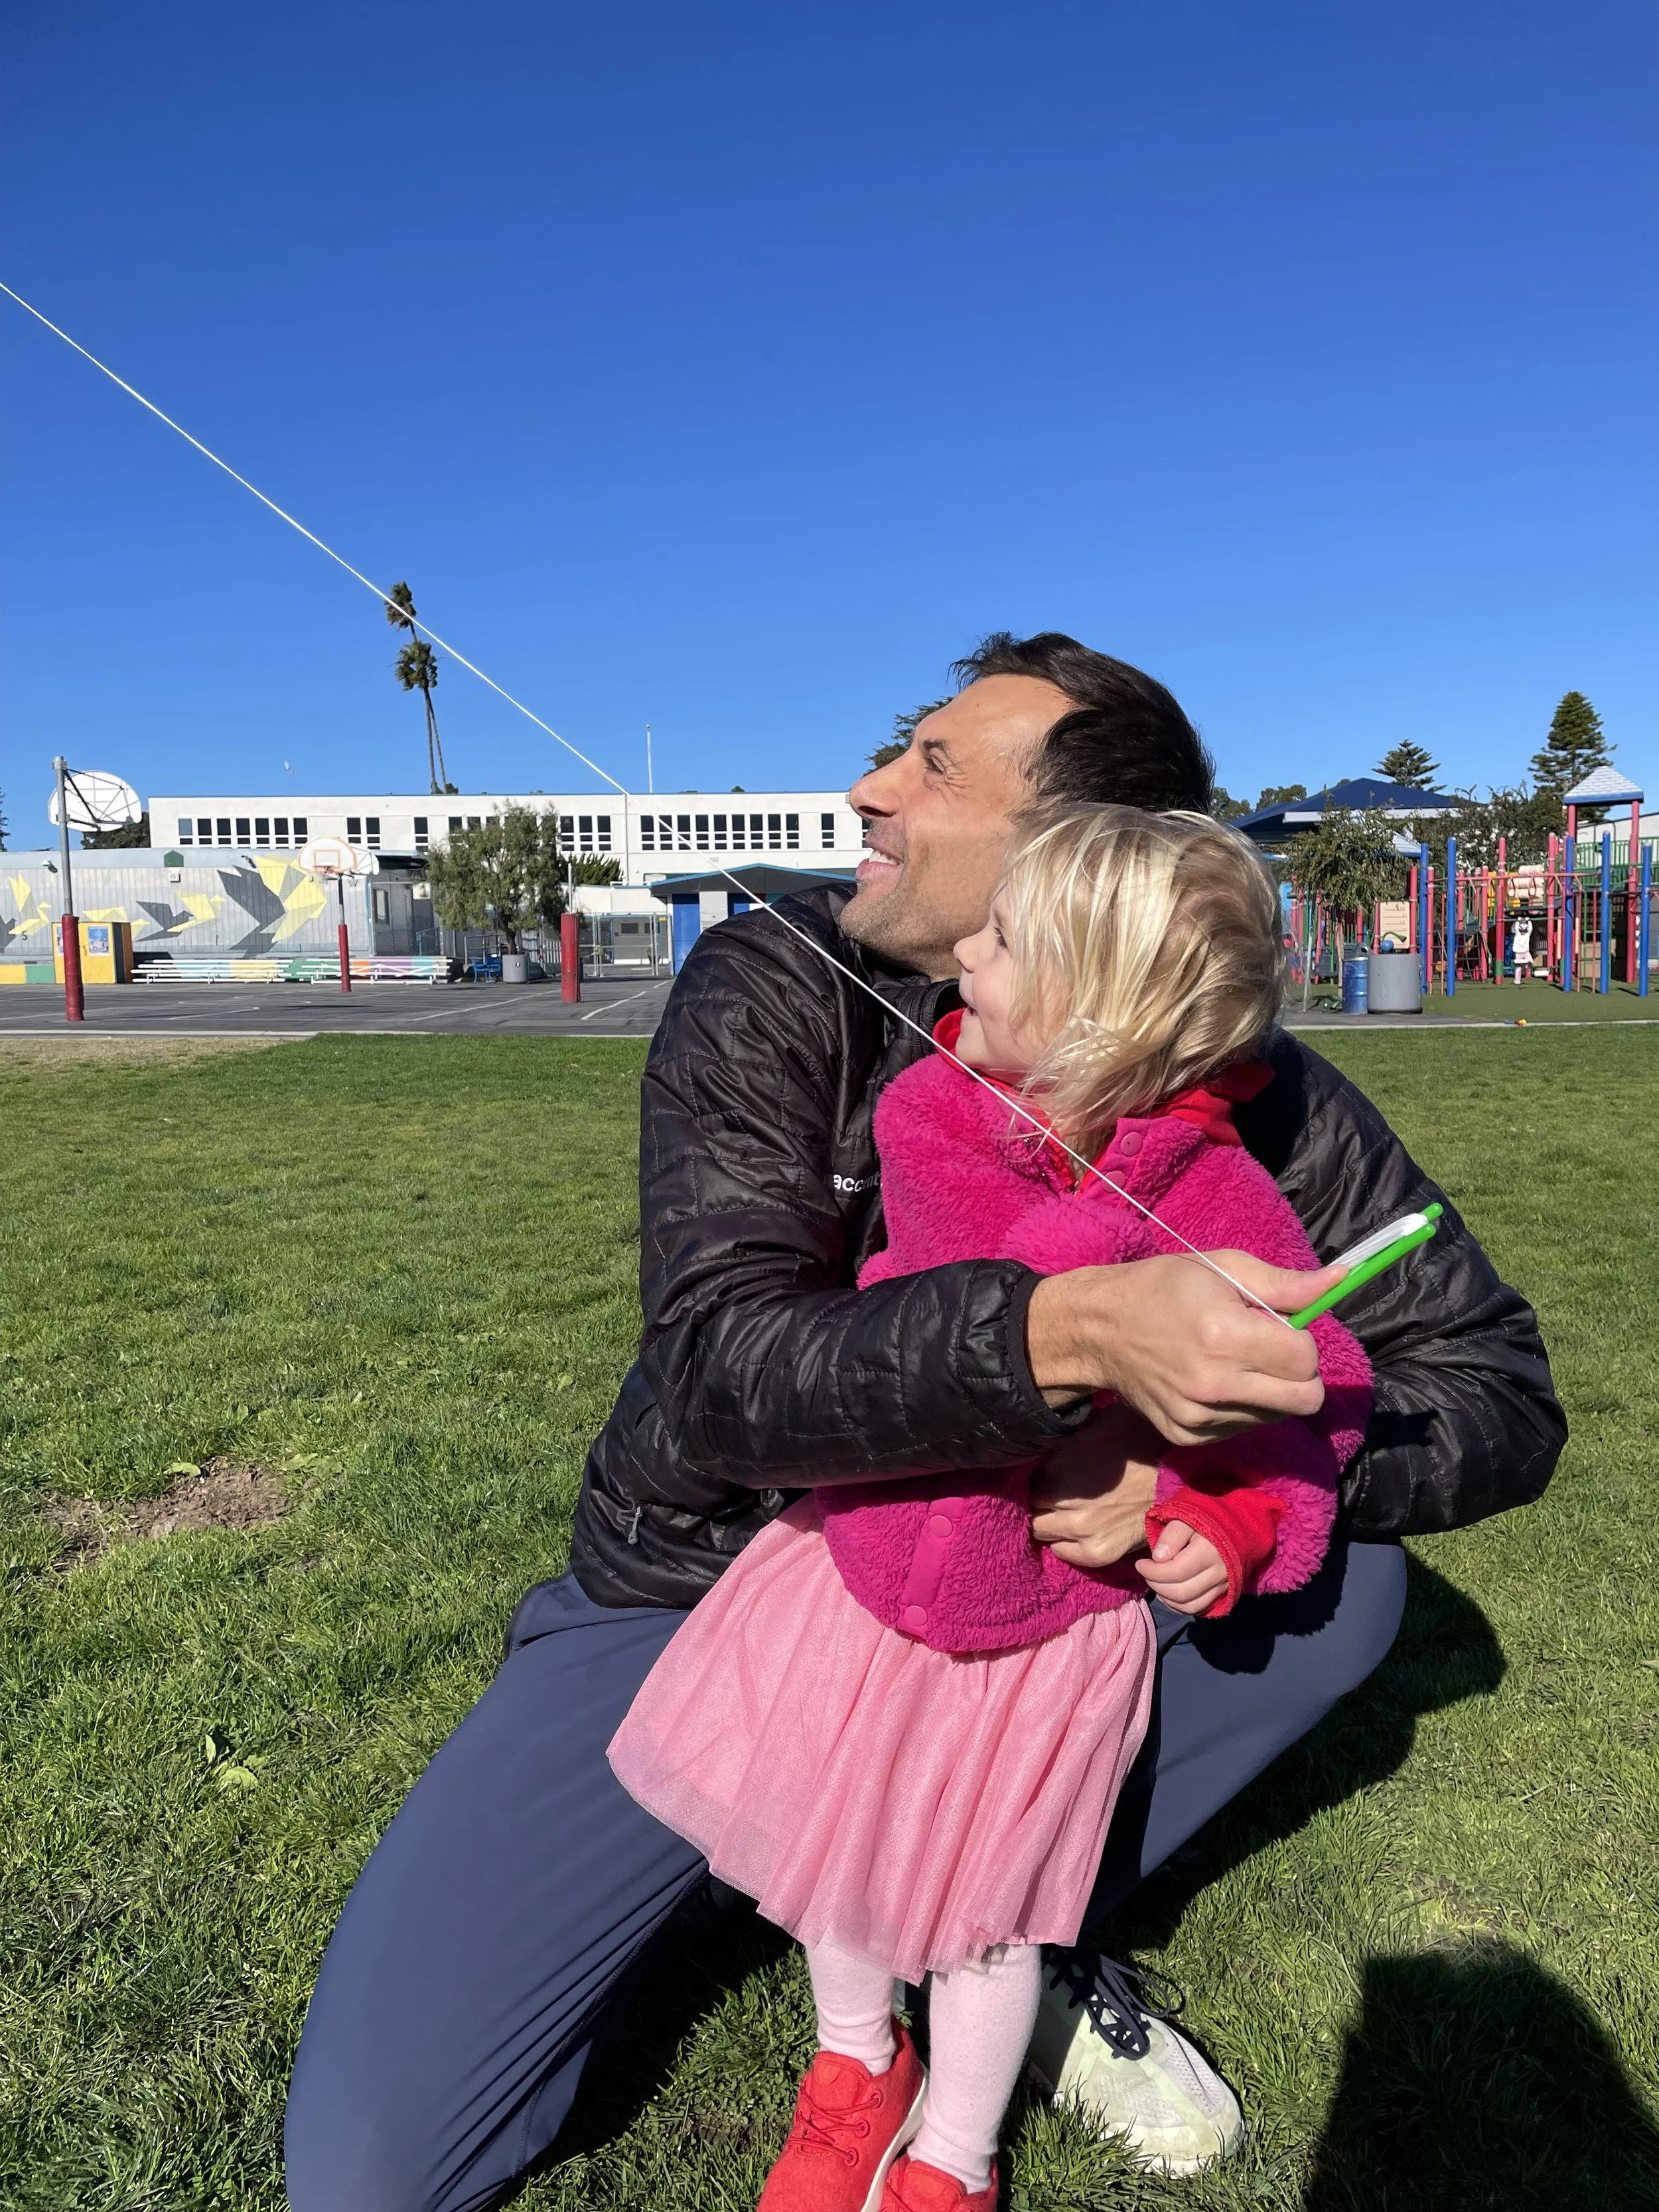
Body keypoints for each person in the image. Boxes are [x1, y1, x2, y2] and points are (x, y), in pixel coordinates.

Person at [284, 634, 1565, 2212]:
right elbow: (721, 1374)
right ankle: (837, 1902)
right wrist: (1070, 1338)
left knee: (1347, 1580)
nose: (868, 788)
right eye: (901, 750)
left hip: (1028, 1620)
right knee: (371, 2171)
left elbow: (1495, 1385)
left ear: (1086, 864)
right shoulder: (775, 981)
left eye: (935, 767)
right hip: (707, 1585)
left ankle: (1011, 1928)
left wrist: (1207, 1473)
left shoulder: (1239, 1081)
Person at [607, 806, 1375, 2211]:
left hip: (1037, 1633)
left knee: (983, 1917)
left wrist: (1225, 1512)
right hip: (863, 1579)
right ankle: (852, 2064)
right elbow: (886, 1319)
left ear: (1099, 1016)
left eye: (1005, 938)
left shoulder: (1218, 1194)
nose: (961, 948)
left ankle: (951, 2157)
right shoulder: (929, 1107)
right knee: (828, 1850)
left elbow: (1309, 1388)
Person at [1512, 906, 1536, 982]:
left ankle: (1530, 971)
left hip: (1526, 952)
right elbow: (1516, 928)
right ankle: (1517, 980)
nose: (1522, 932)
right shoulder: (1517, 934)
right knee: (1518, 967)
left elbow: (1531, 929)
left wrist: (1529, 921)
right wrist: (1518, 921)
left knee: (1531, 961)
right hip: (1518, 953)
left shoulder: (1527, 935)